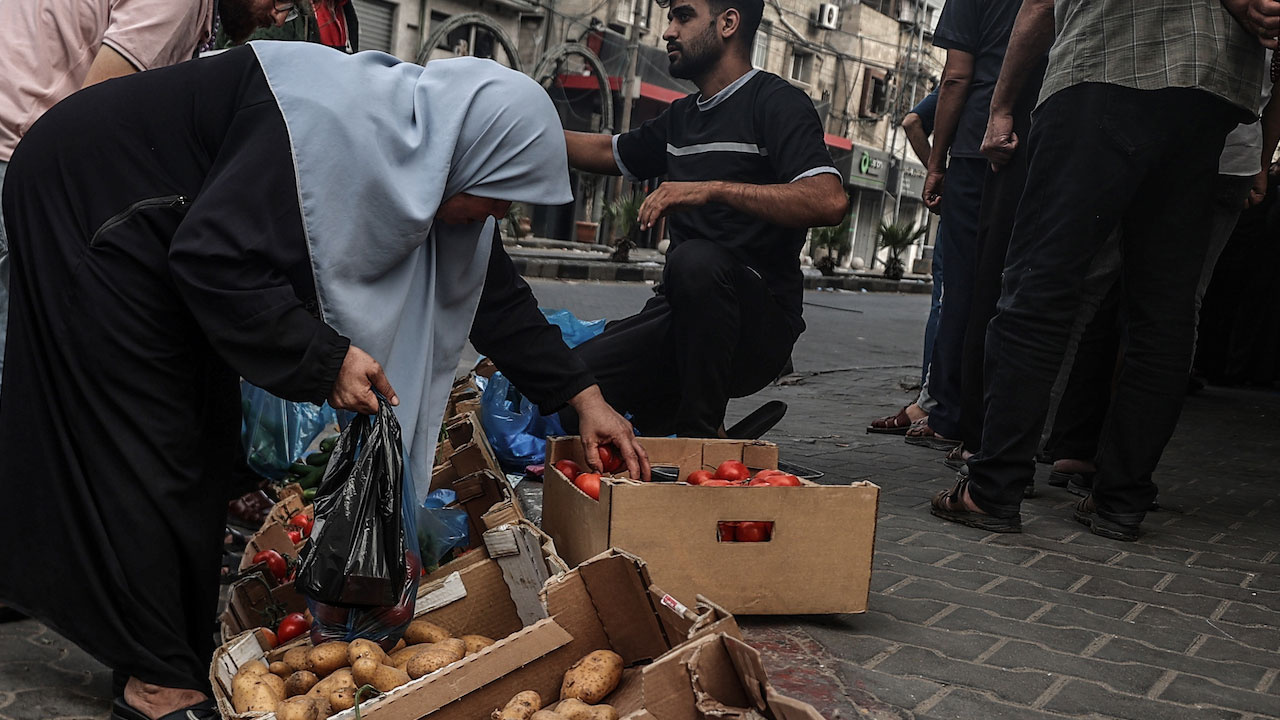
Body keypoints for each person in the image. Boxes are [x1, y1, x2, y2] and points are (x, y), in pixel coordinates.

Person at [0, 43, 646, 720]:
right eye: (492, 200)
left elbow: (499, 301)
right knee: (152, 437)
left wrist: (585, 398)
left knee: (203, 443)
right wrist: (324, 357)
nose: (492, 219)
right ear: (470, 156)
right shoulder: (330, 131)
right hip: (91, 192)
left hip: (164, 218)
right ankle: (156, 682)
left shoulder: (431, 152)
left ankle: (163, 651)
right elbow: (212, 258)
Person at [930, 0, 1269, 541]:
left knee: (1040, 288)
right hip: (1210, 88)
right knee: (1165, 308)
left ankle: (992, 488)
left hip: (1106, 63)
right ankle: (1121, 499)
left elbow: (1041, 4)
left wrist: (1001, 106)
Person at [561, 0, 848, 438]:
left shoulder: (776, 103)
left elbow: (828, 200)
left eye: (682, 16)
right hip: (680, 316)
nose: (668, 31)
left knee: (695, 261)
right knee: (576, 392)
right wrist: (520, 124)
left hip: (757, 328)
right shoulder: (681, 117)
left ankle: (701, 438)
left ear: (728, 22)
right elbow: (605, 150)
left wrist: (713, 189)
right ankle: (666, 422)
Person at [0, 0, 294, 386]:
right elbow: (93, 123)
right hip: (16, 158)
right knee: (15, 366)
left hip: (16, 145)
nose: (278, 16)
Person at [906, 0, 1022, 451]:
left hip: (978, 151)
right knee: (1010, 291)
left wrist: (937, 165)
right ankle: (996, 423)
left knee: (963, 292)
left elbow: (956, 77)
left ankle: (952, 414)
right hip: (1037, 141)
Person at [868, 89, 944, 435]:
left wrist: (937, 171)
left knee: (947, 304)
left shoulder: (974, 65)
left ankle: (930, 405)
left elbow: (913, 122)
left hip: (967, 194)